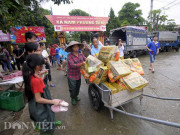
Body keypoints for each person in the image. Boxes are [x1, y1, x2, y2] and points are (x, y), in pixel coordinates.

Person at [22, 54, 62, 134]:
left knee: (46, 121)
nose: (43, 65)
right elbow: (38, 99)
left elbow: (37, 82)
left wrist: (41, 74)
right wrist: (53, 101)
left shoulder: (31, 75)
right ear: (37, 66)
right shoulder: (36, 80)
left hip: (36, 105)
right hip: (41, 106)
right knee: (47, 126)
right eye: (42, 64)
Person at [66, 41, 86, 105]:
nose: (76, 48)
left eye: (77, 46)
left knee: (78, 87)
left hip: (78, 74)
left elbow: (85, 59)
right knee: (72, 88)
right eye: (74, 47)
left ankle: (76, 96)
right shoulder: (69, 56)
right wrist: (81, 64)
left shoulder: (81, 54)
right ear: (72, 48)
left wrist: (91, 59)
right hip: (71, 75)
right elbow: (72, 65)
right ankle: (72, 98)